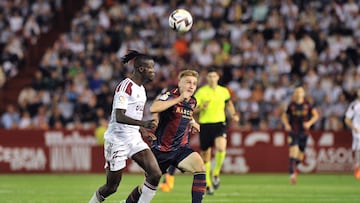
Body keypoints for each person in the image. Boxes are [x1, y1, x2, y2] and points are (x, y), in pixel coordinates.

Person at [88, 50, 162, 203]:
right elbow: (120, 116)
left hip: (134, 138)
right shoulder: (125, 87)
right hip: (117, 140)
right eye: (151, 68)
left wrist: (143, 131)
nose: (153, 72)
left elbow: (134, 115)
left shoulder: (142, 90)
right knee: (111, 187)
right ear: (141, 69)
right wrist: (143, 124)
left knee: (155, 173)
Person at [123, 69, 206, 203]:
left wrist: (193, 122)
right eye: (188, 82)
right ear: (180, 83)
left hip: (181, 149)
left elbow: (187, 113)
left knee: (200, 167)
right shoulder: (170, 95)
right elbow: (154, 107)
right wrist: (178, 99)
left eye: (194, 83)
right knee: (147, 185)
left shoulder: (192, 101)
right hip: (161, 150)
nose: (191, 86)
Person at [193, 67, 239, 195]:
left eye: (214, 76)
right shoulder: (201, 92)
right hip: (205, 124)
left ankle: (216, 172)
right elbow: (192, 108)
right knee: (205, 156)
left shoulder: (224, 91)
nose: (212, 78)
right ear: (206, 78)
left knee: (221, 147)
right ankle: (207, 184)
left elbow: (229, 104)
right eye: (210, 76)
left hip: (219, 123)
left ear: (218, 77)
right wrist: (201, 107)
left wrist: (233, 114)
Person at [281, 85, 319, 184]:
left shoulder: (308, 105)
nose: (298, 94)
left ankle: (294, 168)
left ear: (303, 94)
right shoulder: (291, 105)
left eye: (300, 92)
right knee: (293, 152)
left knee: (300, 156)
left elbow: (316, 116)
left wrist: (309, 123)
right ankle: (292, 175)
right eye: (296, 92)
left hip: (304, 133)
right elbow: (284, 116)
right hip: (293, 132)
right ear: (294, 94)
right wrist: (286, 124)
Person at [344, 87, 360, 179]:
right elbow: (347, 119)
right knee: (359, 150)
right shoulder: (354, 105)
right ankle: (357, 168)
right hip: (358, 131)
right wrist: (353, 127)